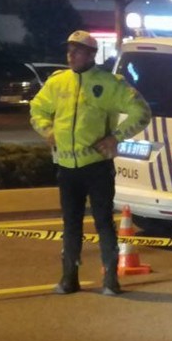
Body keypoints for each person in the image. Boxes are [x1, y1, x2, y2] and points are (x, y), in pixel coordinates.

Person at [30, 31, 151, 295]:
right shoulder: (57, 82)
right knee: (70, 223)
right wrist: (47, 130)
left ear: (91, 54)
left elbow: (141, 112)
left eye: (78, 50)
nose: (71, 55)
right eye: (69, 50)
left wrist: (115, 137)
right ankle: (68, 278)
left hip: (96, 167)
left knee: (103, 222)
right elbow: (36, 109)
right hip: (67, 168)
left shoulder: (110, 84)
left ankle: (110, 279)